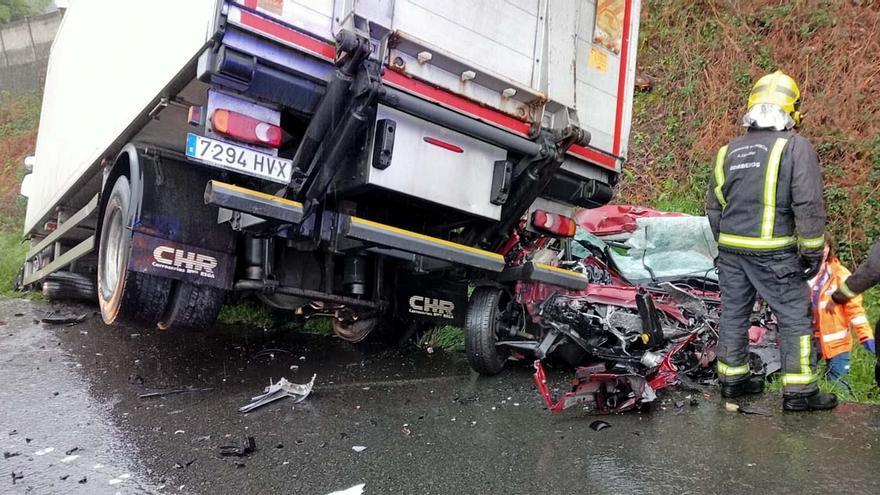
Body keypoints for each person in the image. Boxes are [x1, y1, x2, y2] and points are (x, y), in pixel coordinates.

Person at [706, 70, 837, 411]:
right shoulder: (795, 147)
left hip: (732, 251)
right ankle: (800, 392)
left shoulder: (727, 151)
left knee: (734, 312)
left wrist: (728, 242)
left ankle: (732, 380)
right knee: (794, 315)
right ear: (792, 111)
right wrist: (811, 251)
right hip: (774, 253)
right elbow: (807, 202)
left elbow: (714, 206)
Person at [808, 241, 875, 392]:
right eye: (817, 246)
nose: (822, 251)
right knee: (805, 387)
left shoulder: (840, 274)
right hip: (808, 341)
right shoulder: (799, 274)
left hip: (837, 343)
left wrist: (865, 335)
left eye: (825, 246)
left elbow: (855, 309)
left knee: (839, 387)